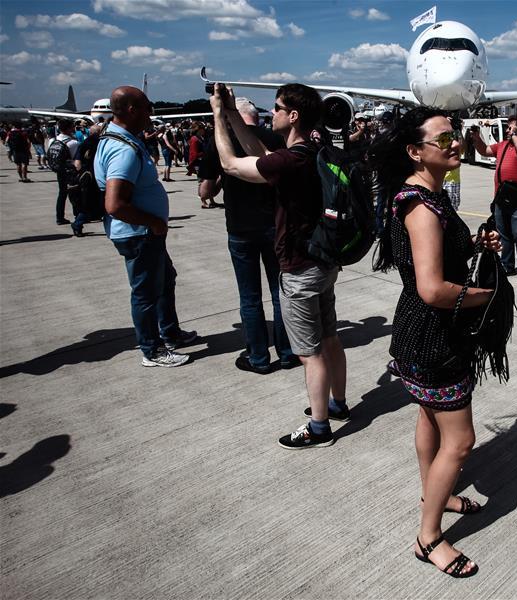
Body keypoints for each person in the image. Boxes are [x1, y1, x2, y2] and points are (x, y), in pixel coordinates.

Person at [369, 106, 501, 578]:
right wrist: (489, 296)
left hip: (419, 333)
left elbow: (439, 262)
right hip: (431, 336)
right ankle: (428, 538)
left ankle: (436, 497)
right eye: (444, 139)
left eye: (456, 136)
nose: (456, 144)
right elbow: (431, 288)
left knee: (429, 417)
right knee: (461, 441)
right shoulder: (422, 206)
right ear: (415, 151)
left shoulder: (427, 195)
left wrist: (476, 247)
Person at [209, 82, 349, 450]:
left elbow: (231, 163)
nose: (273, 113)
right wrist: (230, 115)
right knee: (330, 336)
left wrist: (216, 118)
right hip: (323, 261)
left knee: (309, 352)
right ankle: (337, 404)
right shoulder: (312, 150)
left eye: (278, 107)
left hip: (300, 267)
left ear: (294, 115)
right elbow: (263, 152)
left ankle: (319, 428)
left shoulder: (293, 159)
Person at [95, 86, 198, 367]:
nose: (151, 111)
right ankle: (152, 350)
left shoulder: (121, 138)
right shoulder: (122, 149)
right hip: (139, 234)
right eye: (146, 106)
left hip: (146, 233)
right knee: (146, 293)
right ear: (131, 110)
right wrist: (154, 222)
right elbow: (115, 204)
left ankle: (170, 333)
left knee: (165, 280)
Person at [198, 97, 298, 374]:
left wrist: (219, 183)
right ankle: (288, 352)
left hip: (241, 229)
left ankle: (258, 357)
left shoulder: (221, 141)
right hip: (274, 226)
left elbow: (206, 191)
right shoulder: (275, 139)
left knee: (250, 297)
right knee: (280, 294)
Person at [469, 114, 517, 283]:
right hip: (500, 198)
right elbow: (484, 150)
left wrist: (514, 136)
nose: (507, 130)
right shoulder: (503, 145)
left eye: (510, 127)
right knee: (504, 235)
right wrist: (476, 137)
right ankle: (507, 265)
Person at [52, 118, 80, 225]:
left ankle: (60, 217)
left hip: (60, 171)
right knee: (75, 194)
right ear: (69, 128)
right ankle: (78, 215)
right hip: (70, 172)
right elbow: (76, 159)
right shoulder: (73, 143)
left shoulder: (54, 140)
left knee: (62, 194)